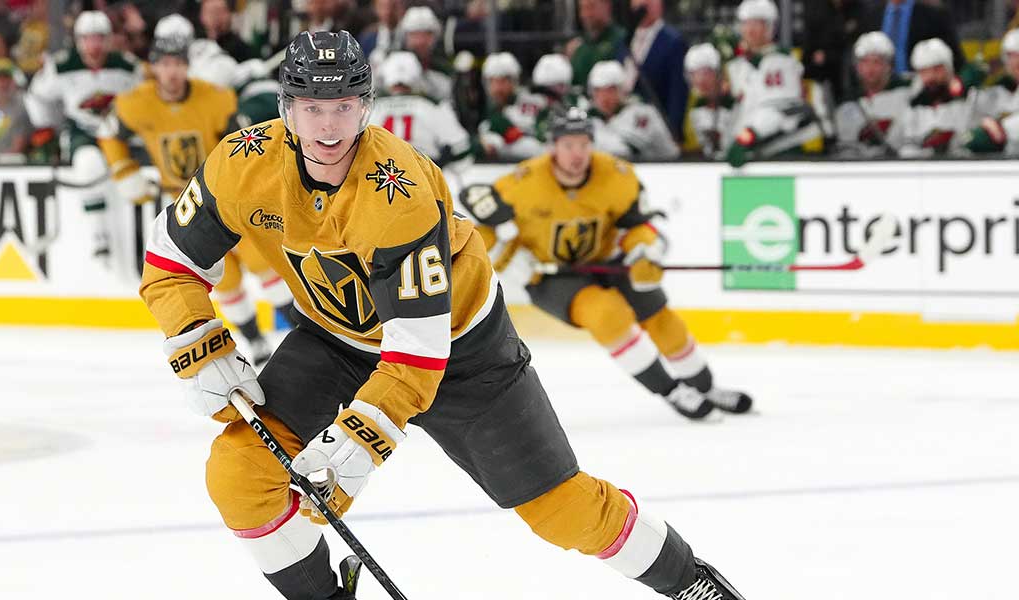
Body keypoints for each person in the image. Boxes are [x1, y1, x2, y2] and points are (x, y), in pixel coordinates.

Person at [139, 29, 747, 600]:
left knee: (563, 511)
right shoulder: (242, 160)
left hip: (462, 353)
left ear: (367, 107)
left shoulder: (398, 190)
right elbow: (170, 259)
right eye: (312, 107)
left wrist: (363, 440)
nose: (329, 128)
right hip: (336, 343)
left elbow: (417, 350)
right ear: (285, 108)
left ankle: (691, 583)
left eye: (345, 106)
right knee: (239, 475)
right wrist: (196, 336)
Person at [465, 106, 751, 421]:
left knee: (659, 315)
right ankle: (671, 390)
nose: (577, 154)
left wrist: (643, 251)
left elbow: (636, 225)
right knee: (607, 314)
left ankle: (706, 387)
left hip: (607, 261)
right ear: (553, 147)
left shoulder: (616, 175)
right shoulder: (522, 183)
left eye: (584, 144)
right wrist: (507, 260)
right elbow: (485, 229)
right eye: (568, 145)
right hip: (550, 276)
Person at [98, 25, 290, 365]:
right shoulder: (135, 103)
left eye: (178, 63)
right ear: (154, 66)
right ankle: (256, 342)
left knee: (264, 263)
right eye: (165, 64)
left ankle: (303, 334)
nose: (172, 72)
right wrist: (124, 171)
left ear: (188, 66)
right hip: (183, 201)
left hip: (224, 195)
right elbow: (108, 132)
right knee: (224, 277)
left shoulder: (216, 98)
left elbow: (241, 143)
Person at [25, 10, 141, 262]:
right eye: (88, 39)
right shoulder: (61, 66)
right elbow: (36, 96)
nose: (94, 46)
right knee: (89, 165)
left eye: (99, 38)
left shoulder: (128, 66)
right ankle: (99, 235)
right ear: (78, 40)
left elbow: (146, 99)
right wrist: (47, 126)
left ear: (109, 40)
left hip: (120, 132)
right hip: (82, 131)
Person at [724, 0, 821, 166]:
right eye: (746, 23)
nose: (750, 30)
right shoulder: (741, 65)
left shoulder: (780, 62)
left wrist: (746, 137)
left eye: (757, 24)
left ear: (769, 27)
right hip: (757, 150)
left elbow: (778, 111)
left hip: (783, 149)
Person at [370, 51, 474, 176]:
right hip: (423, 175)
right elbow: (461, 146)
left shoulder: (371, 107)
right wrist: (441, 162)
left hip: (379, 175)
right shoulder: (432, 105)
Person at [833, 32, 911, 158]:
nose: (870, 69)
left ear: (888, 66)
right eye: (865, 62)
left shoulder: (907, 97)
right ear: (857, 67)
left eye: (877, 62)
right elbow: (845, 151)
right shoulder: (847, 106)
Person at [898, 38, 978, 157]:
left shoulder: (970, 98)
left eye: (937, 69)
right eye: (924, 71)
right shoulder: (913, 106)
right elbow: (907, 148)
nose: (930, 77)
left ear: (948, 68)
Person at [586, 60, 680, 160]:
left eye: (610, 90)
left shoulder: (643, 114)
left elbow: (625, 152)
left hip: (665, 170)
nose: (604, 97)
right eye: (598, 91)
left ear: (622, 90)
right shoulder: (591, 118)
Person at [624, 0, 689, 140]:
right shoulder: (625, 39)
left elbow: (677, 91)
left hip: (657, 129)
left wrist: (674, 131)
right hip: (626, 125)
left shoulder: (673, 42)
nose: (644, 3)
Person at [476, 51, 546, 160]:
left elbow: (539, 148)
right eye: (492, 82)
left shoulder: (531, 103)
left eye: (502, 81)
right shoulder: (487, 111)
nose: (497, 88)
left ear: (514, 81)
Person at [961, 29, 1019, 155]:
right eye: (1011, 56)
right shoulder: (999, 93)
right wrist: (967, 89)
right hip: (996, 168)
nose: (1015, 62)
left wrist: (1001, 131)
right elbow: (967, 130)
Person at [681, 43, 736, 159]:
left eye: (706, 72)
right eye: (694, 74)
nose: (701, 80)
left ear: (717, 73)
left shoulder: (733, 102)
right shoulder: (693, 103)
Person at [397, 6, 455, 103]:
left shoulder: (444, 70)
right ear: (405, 37)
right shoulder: (391, 66)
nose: (421, 41)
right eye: (415, 34)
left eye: (427, 34)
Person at [567, 0, 626, 87]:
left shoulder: (622, 40)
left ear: (607, 6)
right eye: (582, 8)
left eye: (591, 7)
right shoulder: (579, 46)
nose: (585, 14)